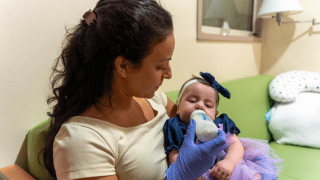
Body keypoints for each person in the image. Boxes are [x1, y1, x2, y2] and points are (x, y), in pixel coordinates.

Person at [41, 1, 227, 180]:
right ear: (123, 66)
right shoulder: (83, 140)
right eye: (161, 66)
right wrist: (180, 174)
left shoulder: (153, 99)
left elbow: (190, 123)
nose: (169, 74)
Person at [164, 72, 283, 180]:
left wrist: (229, 162)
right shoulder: (175, 126)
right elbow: (175, 158)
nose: (200, 105)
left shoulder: (221, 123)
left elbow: (236, 144)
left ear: (215, 114)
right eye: (192, 100)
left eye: (208, 105)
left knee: (262, 161)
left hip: (229, 166)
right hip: (202, 174)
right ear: (178, 107)